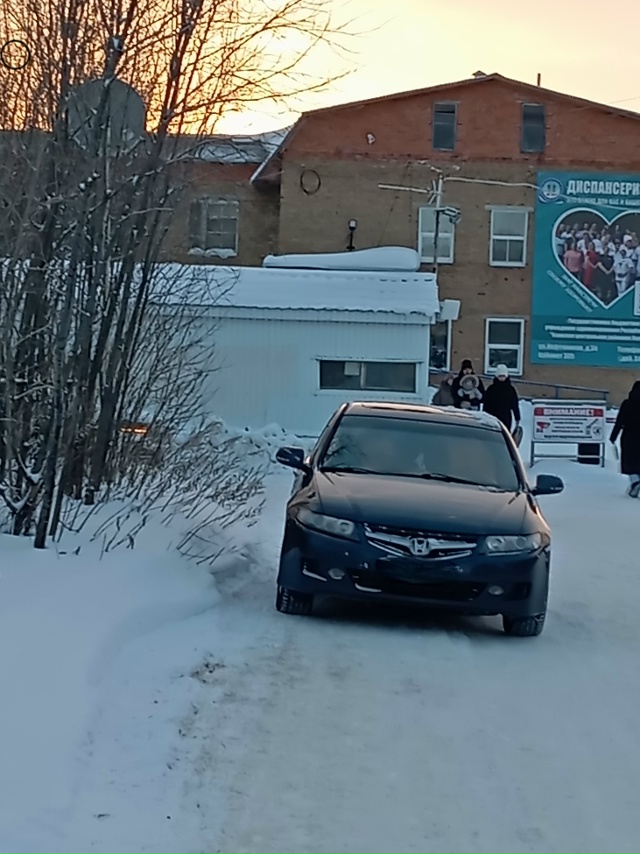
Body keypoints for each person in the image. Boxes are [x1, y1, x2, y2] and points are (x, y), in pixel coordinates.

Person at [610, 381, 640, 497]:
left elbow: (620, 420)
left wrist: (613, 436)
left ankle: (635, 481)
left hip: (629, 436)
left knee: (630, 461)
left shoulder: (628, 403)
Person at [482, 364, 521, 432]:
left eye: (503, 376)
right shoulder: (491, 389)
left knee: (505, 434)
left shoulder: (510, 390)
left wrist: (517, 417)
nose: (502, 378)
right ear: (497, 376)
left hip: (506, 417)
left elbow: (515, 404)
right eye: (500, 376)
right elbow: (486, 403)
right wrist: (485, 416)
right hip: (492, 417)